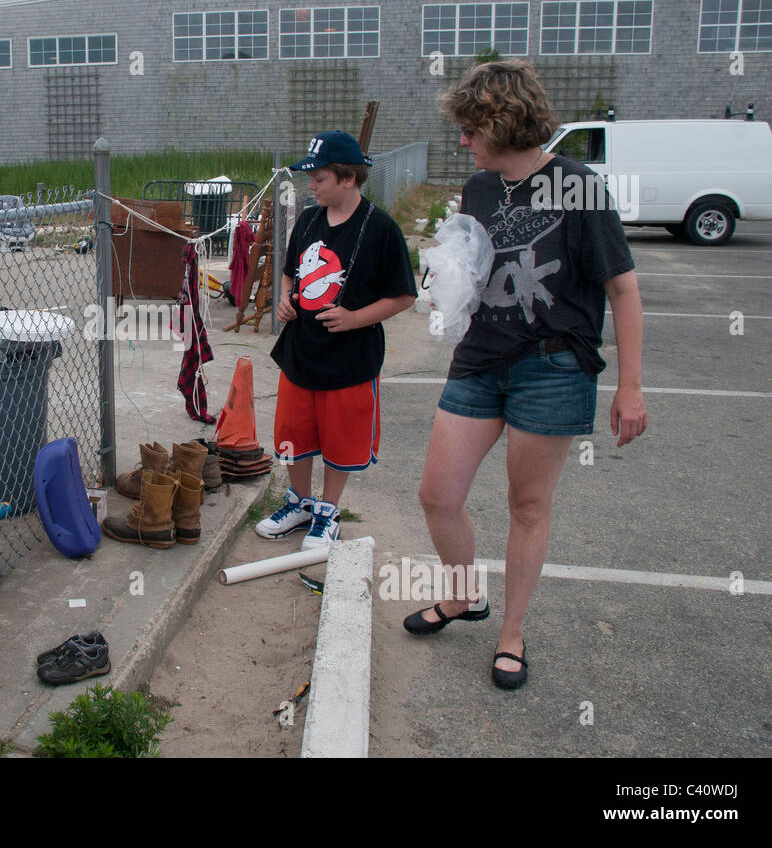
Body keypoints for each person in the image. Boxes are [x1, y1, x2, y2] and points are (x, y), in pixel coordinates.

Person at [405, 60, 647, 690]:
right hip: (480, 360)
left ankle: (511, 634)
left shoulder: (578, 185)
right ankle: (463, 597)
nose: (463, 140)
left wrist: (630, 386)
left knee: (528, 505)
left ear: (502, 122)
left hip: (552, 368)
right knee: (438, 495)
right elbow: (477, 265)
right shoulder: (481, 187)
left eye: (469, 129)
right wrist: (449, 289)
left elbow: (622, 288)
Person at [256, 131, 417, 550]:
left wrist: (355, 318)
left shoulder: (381, 228)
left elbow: (403, 296)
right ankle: (299, 502)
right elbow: (290, 272)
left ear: (348, 179)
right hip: (301, 351)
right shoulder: (309, 219)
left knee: (340, 438)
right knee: (293, 433)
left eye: (319, 178)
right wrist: (285, 300)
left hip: (350, 359)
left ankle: (328, 511)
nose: (311, 186)